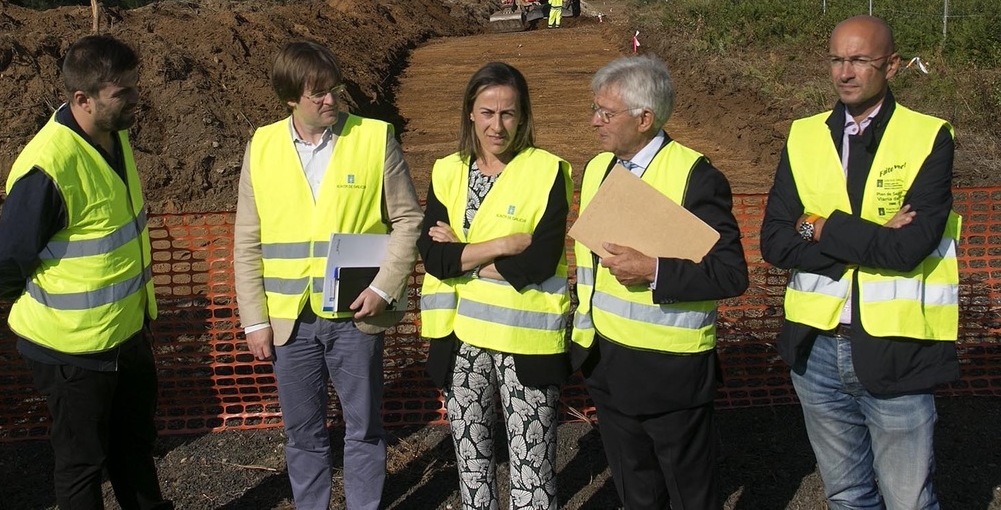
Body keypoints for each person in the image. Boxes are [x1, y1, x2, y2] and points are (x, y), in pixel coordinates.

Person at [761, 15, 959, 510]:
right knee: (847, 496)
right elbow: (776, 240)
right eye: (836, 59)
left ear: (891, 65)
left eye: (859, 61)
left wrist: (822, 224)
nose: (845, 72)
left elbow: (906, 249)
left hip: (896, 351)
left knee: (908, 500)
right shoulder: (804, 135)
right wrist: (853, 232)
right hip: (816, 350)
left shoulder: (929, 136)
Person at [0, 35, 171, 510]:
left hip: (125, 335)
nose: (135, 99)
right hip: (71, 352)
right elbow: (0, 270)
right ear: (82, 100)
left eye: (134, 86)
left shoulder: (114, 134)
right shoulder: (49, 166)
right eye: (122, 92)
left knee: (133, 449)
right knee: (81, 464)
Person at [233, 40, 422, 510]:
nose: (330, 100)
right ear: (290, 97)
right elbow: (247, 242)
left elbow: (407, 220)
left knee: (364, 429)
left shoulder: (375, 138)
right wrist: (255, 322)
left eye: (333, 90)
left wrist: (384, 286)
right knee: (303, 434)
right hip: (289, 322)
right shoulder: (262, 147)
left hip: (356, 316)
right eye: (317, 93)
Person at [571, 54, 747, 510]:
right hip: (608, 364)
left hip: (672, 374)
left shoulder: (696, 176)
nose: (594, 122)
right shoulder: (596, 169)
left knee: (691, 496)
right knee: (638, 495)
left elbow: (731, 272)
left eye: (606, 113)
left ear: (645, 118)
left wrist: (654, 270)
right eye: (595, 109)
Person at [418, 61, 572, 509]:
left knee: (533, 473)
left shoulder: (546, 171)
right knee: (472, 472)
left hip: (525, 345)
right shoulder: (447, 171)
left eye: (508, 113)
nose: (497, 125)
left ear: (523, 115)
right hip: (460, 342)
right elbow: (434, 257)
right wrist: (502, 243)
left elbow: (538, 261)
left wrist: (463, 253)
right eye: (487, 112)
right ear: (470, 112)